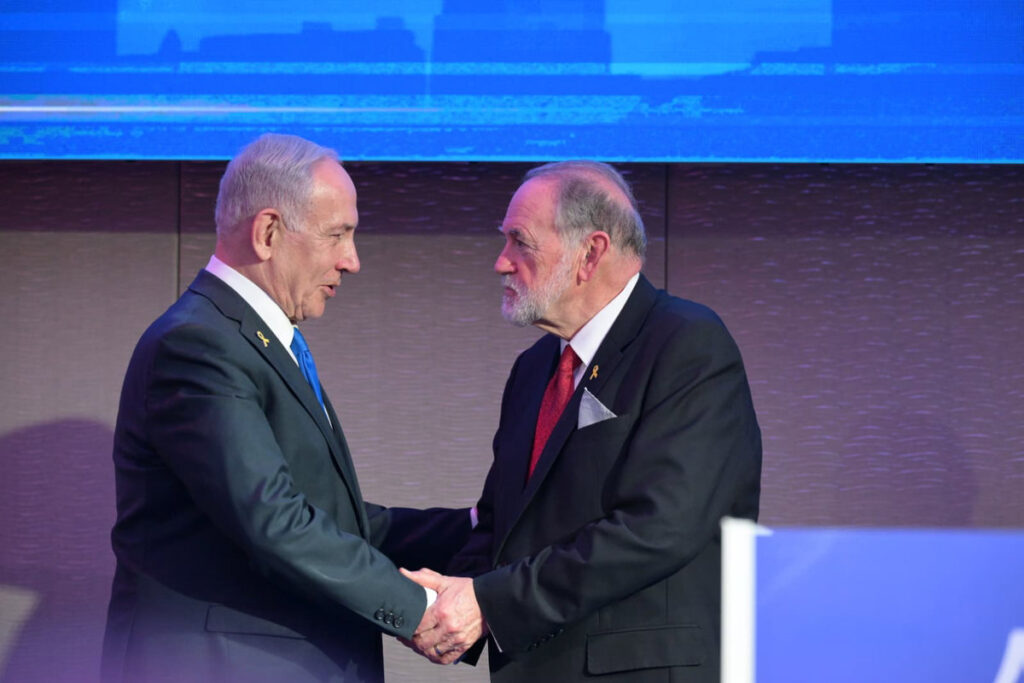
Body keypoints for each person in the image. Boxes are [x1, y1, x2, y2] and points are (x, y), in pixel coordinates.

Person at [101, 133, 470, 683]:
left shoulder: (252, 341)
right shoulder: (198, 345)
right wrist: (421, 611)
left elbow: (328, 518)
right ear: (268, 233)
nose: (352, 261)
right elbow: (273, 519)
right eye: (337, 234)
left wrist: (478, 527)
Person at [403, 161, 762, 682]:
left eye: (520, 243)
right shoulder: (533, 369)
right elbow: (504, 525)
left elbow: (660, 527)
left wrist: (489, 602)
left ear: (590, 253)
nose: (501, 263)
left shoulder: (688, 344)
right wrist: (440, 604)